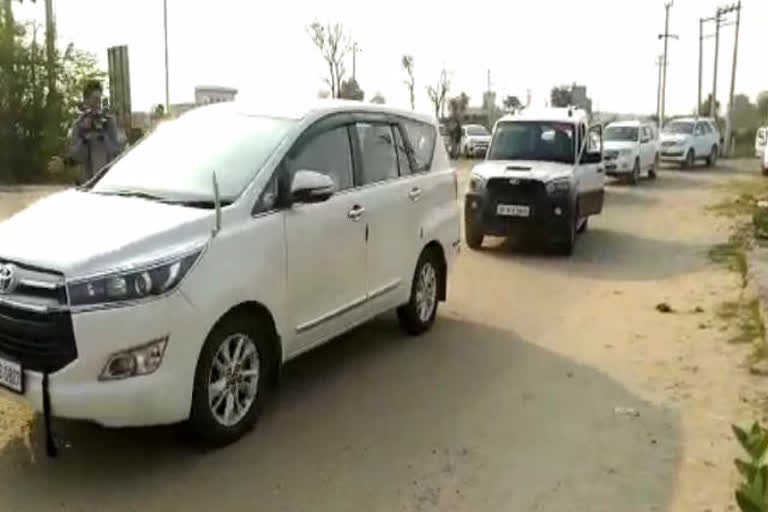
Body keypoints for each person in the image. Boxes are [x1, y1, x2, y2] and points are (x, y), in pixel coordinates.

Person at [48, 80, 124, 184]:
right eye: (94, 100)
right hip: (87, 182)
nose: (97, 105)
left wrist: (102, 135)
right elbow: (76, 157)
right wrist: (85, 137)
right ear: (86, 101)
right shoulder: (78, 125)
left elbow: (116, 152)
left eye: (99, 101)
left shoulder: (109, 122)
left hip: (107, 181)